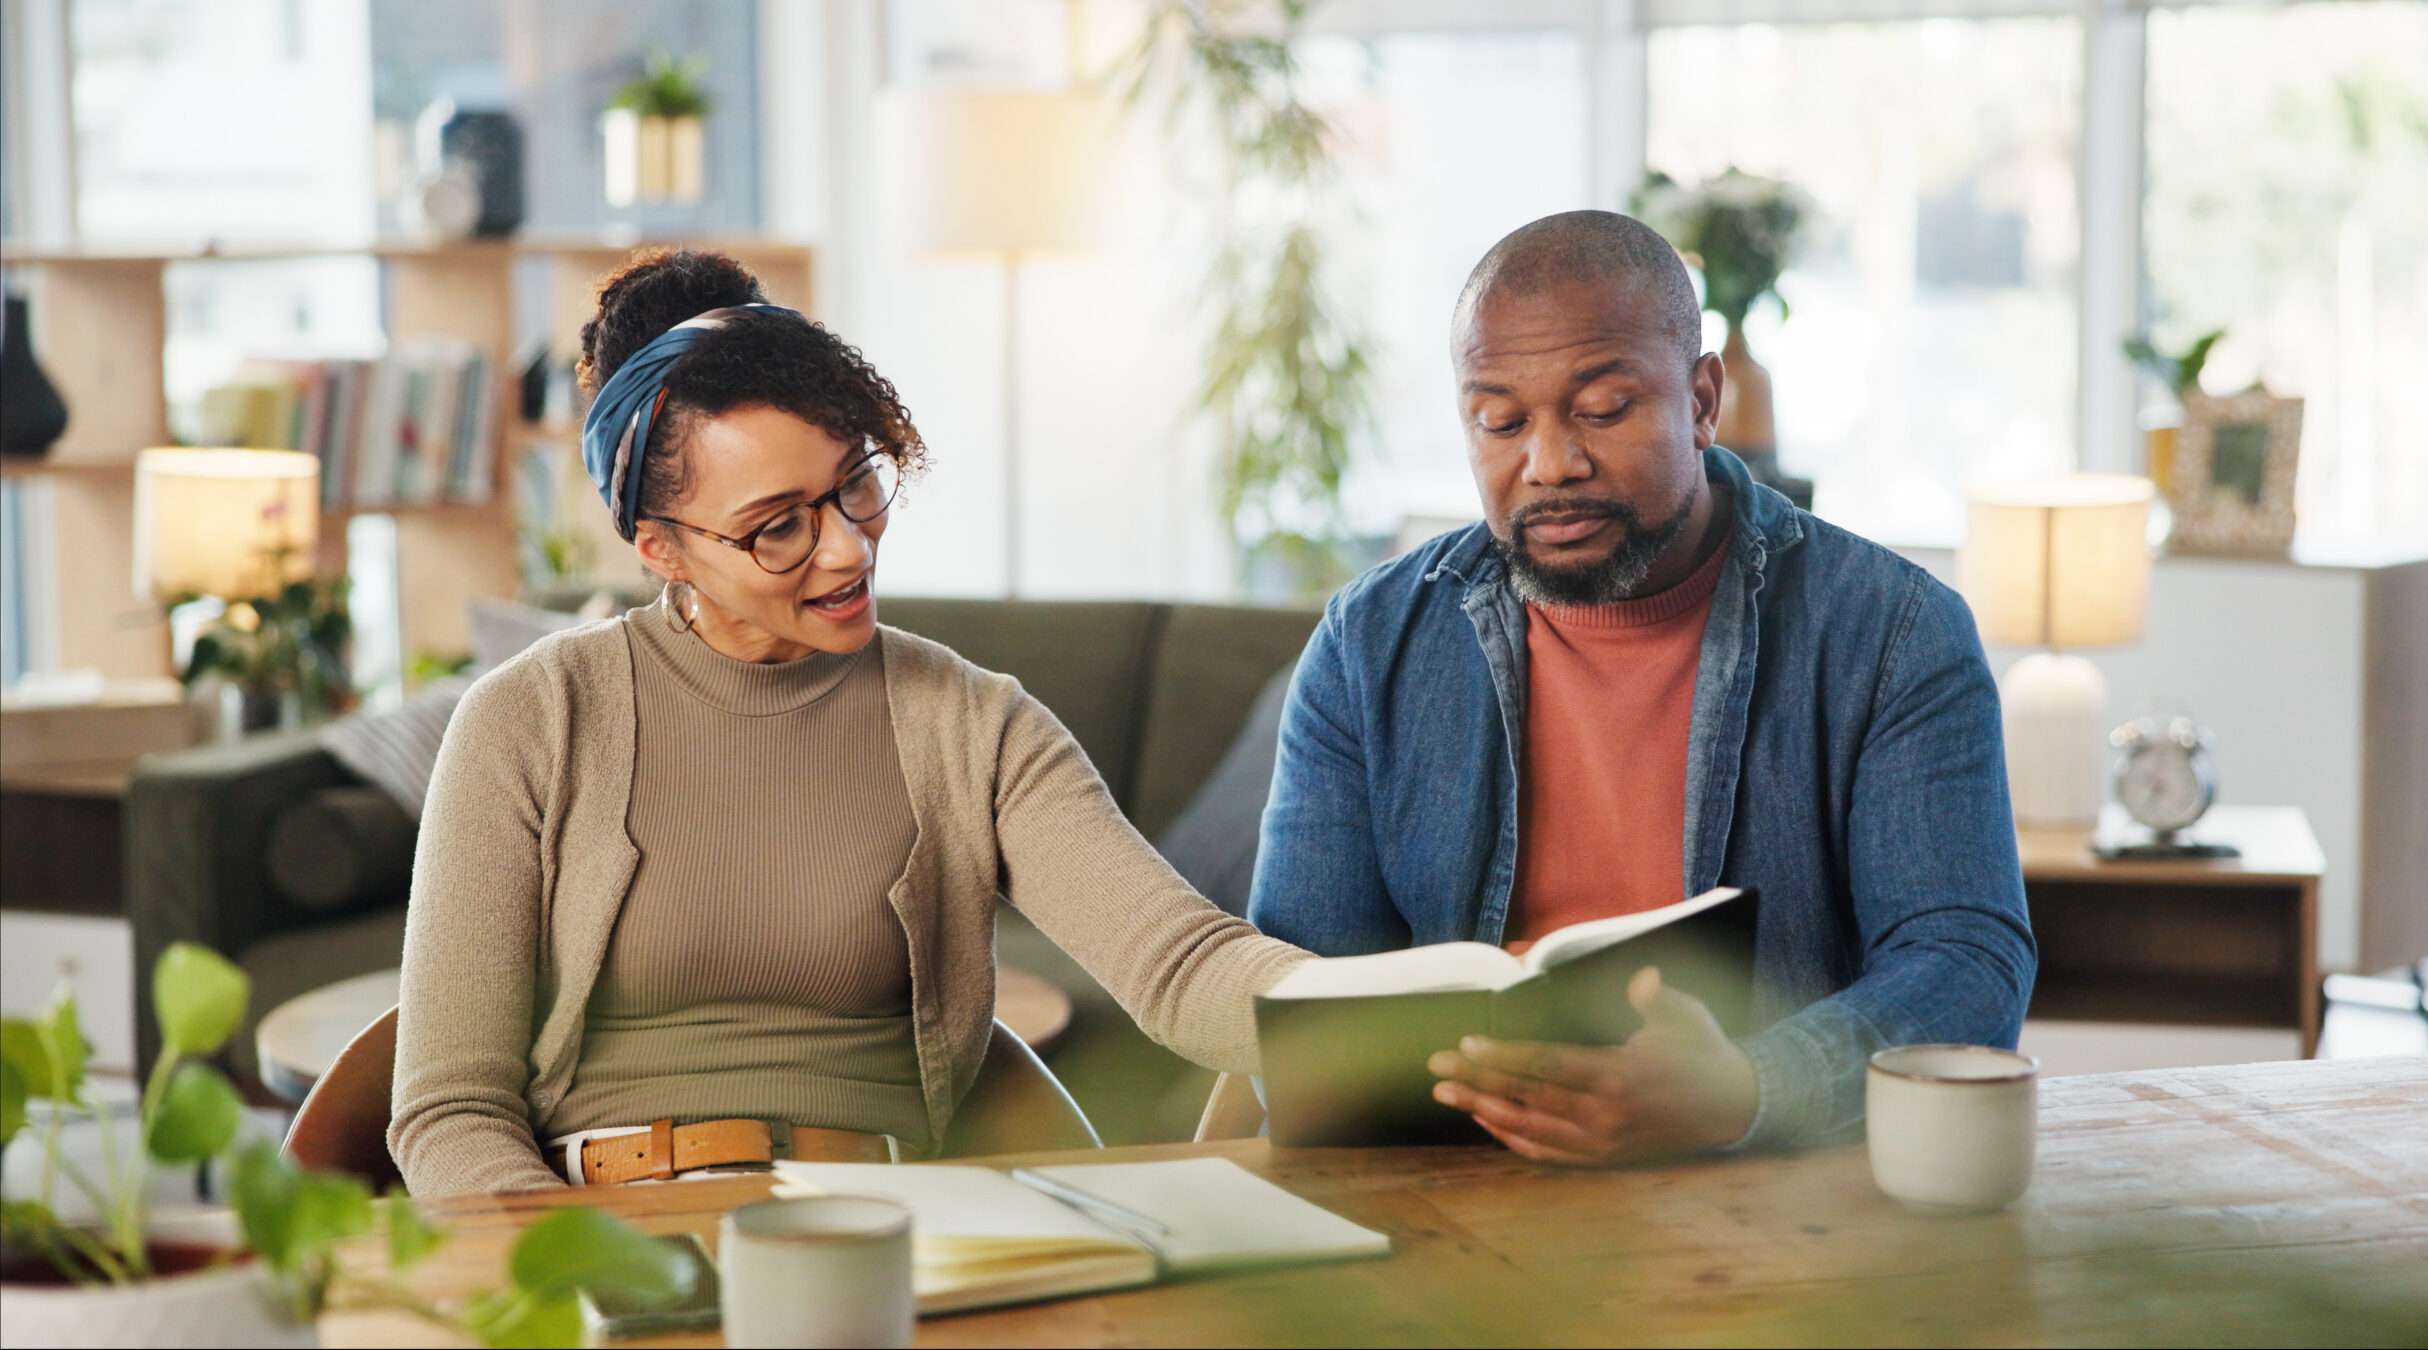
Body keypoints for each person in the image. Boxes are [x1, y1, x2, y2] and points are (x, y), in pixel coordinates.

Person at [390, 249, 1307, 1195]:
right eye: (777, 526)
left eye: (855, 484)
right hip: (610, 1231)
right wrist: (569, 1282)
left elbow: (1182, 963)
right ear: (662, 549)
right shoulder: (530, 721)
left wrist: (1424, 1015)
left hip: (896, 1228)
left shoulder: (973, 724)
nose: (846, 549)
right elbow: (452, 1110)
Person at [1246, 211, 2036, 1163]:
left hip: (1771, 1205)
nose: (1548, 465)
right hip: (1451, 1198)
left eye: (1603, 409)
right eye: (1500, 421)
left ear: (1702, 400)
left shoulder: (1894, 633)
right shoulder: (1369, 644)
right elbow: (1297, 986)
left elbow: (1967, 967)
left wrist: (1746, 1089)